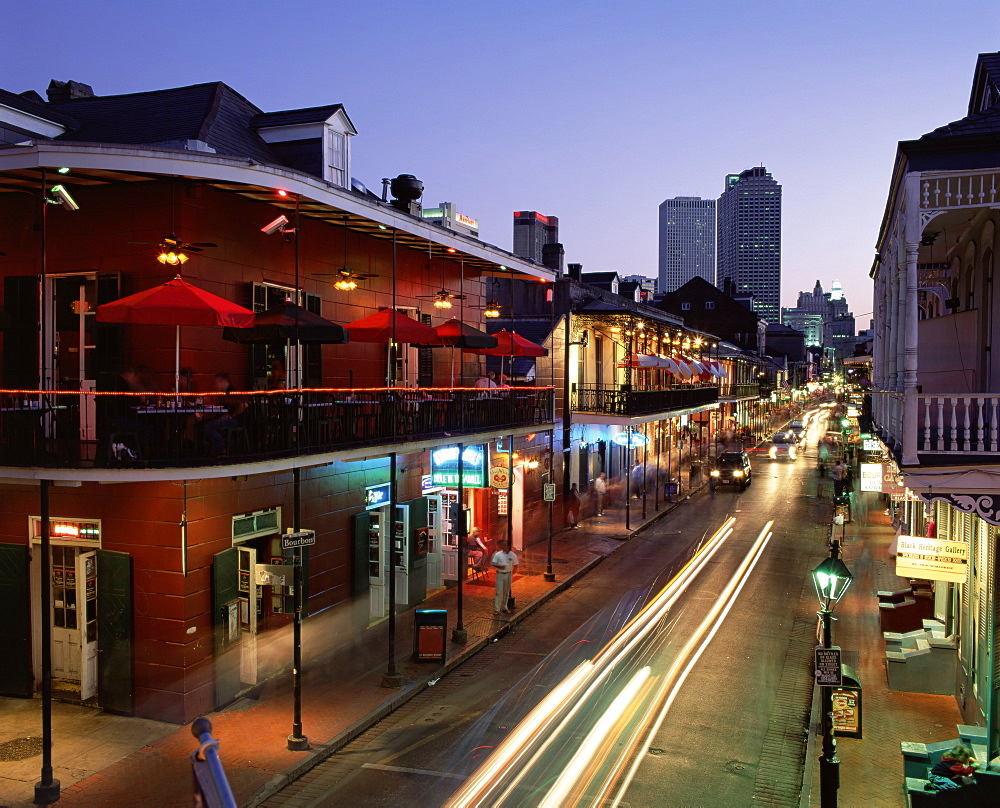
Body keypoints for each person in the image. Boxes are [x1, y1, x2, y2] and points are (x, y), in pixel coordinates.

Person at [203, 373, 248, 455]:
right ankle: (218, 448)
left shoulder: (233, 391)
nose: (215, 385)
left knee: (209, 426)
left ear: (222, 382)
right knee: (202, 425)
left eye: (216, 383)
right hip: (232, 417)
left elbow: (244, 405)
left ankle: (223, 449)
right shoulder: (225, 393)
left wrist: (231, 416)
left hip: (238, 419)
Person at [491, 539, 518, 615]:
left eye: (505, 545)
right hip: (500, 574)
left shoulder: (512, 555)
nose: (504, 547)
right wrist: (500, 566)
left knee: (506, 592)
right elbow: (494, 563)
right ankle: (497, 609)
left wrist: (512, 573)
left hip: (508, 574)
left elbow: (516, 565)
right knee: (498, 592)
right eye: (503, 546)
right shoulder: (498, 554)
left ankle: (505, 607)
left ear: (508, 546)